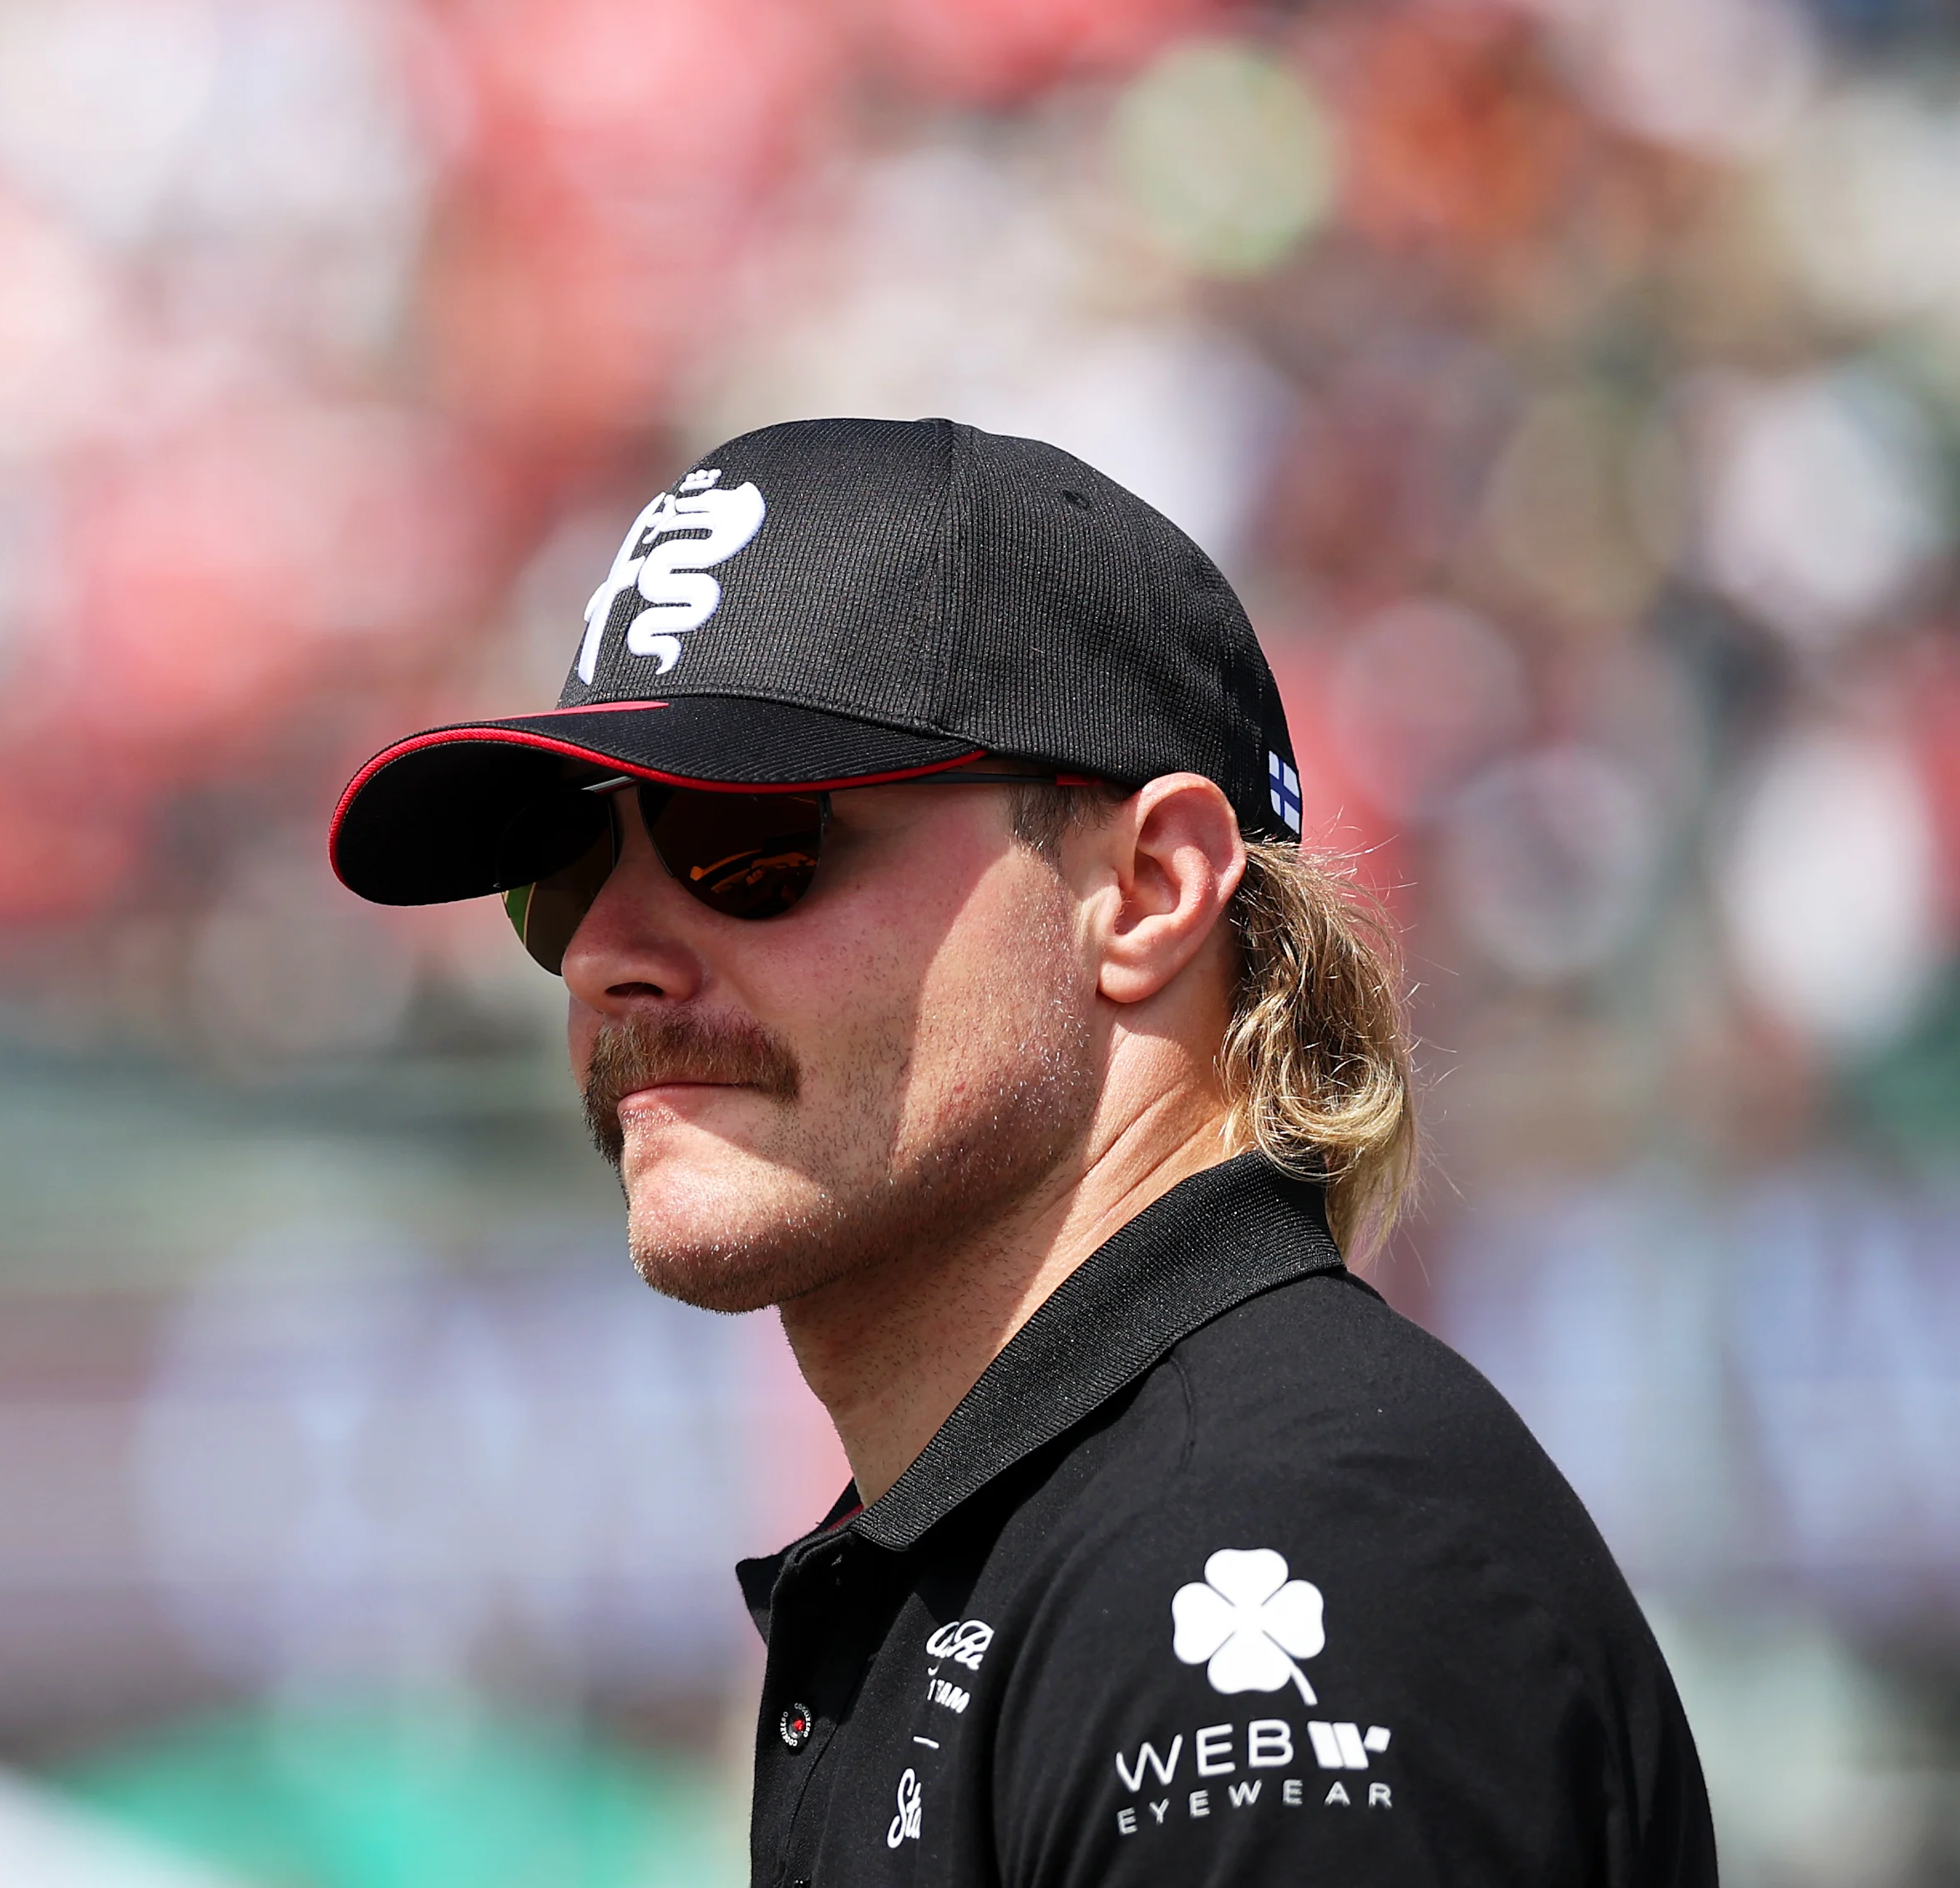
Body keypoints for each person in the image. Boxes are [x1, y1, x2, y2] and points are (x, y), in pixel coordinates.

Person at [327, 418, 1714, 1886]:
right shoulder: (1051, 1542)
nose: (606, 950)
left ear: (1148, 889)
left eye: (750, 838)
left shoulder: (1262, 1558)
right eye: (568, 866)